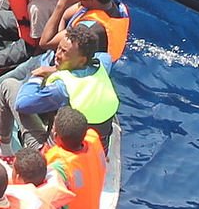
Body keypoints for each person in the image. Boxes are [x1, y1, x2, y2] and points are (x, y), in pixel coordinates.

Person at [13, 19, 120, 149]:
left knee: (9, 85)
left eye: (64, 52)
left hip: (55, 154)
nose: (57, 55)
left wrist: (38, 76)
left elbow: (22, 103)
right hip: (94, 153)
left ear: (82, 60)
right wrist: (55, 69)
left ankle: (4, 146)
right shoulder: (103, 64)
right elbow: (104, 56)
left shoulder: (62, 88)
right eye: (58, 48)